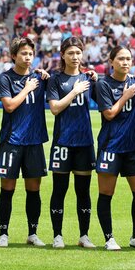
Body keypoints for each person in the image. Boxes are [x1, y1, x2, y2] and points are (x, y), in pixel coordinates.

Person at [95, 46, 135, 251]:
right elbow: (109, 113)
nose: (125, 62)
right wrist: (125, 96)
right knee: (106, 193)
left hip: (133, 147)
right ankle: (109, 238)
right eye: (120, 58)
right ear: (111, 61)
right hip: (110, 146)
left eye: (128, 58)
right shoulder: (104, 84)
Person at [0, 37, 50, 248]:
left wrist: (90, 75)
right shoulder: (5, 79)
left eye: (30, 53)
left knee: (33, 189)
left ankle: (32, 233)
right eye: (23, 53)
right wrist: (27, 89)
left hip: (34, 140)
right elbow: (9, 106)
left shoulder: (40, 78)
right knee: (7, 187)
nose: (27, 57)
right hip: (11, 141)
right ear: (13, 56)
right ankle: (3, 233)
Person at [47, 36, 98, 249]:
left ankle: (84, 235)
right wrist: (74, 92)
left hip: (84, 142)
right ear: (63, 55)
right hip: (62, 142)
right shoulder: (56, 80)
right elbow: (55, 108)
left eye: (78, 53)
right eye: (71, 53)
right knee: (59, 189)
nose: (75, 57)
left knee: (83, 191)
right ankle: (57, 235)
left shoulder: (90, 79)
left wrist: (94, 79)